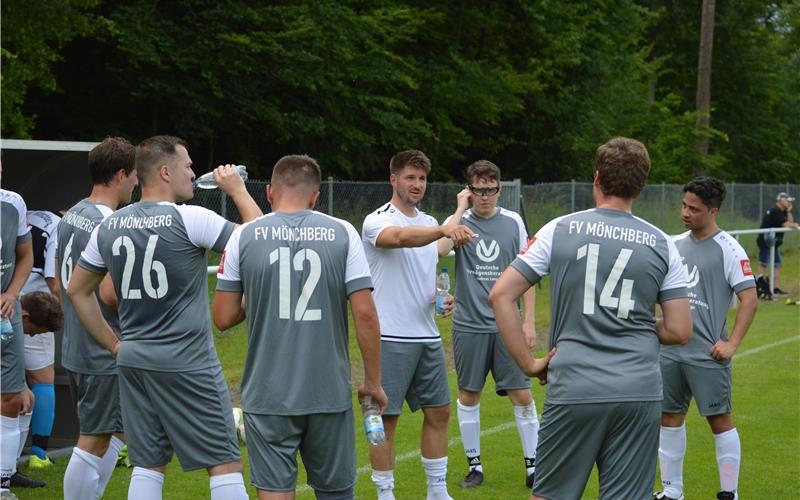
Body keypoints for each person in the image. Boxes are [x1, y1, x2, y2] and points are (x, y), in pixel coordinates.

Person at [490, 137, 693, 500]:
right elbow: (679, 330)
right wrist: (638, 324)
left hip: (575, 384)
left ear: (596, 178)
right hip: (638, 389)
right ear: (641, 186)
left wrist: (530, 364)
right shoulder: (663, 243)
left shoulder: (559, 229)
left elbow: (501, 295)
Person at [66, 135, 262, 500]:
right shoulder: (190, 218)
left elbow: (79, 290)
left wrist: (113, 344)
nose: (193, 173)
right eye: (188, 166)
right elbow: (263, 240)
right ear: (167, 171)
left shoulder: (109, 225)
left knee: (148, 463)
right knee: (223, 461)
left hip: (134, 359)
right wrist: (236, 190)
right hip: (187, 360)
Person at [213, 154, 387, 499]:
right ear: (316, 196)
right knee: (336, 493)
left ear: (268, 193)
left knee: (275, 492)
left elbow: (223, 317)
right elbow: (365, 313)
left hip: (267, 395)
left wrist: (263, 294)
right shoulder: (343, 232)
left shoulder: (244, 236)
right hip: (328, 392)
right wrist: (373, 383)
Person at [362, 149, 474, 500]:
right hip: (389, 336)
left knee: (440, 412)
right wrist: (444, 226)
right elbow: (400, 239)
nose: (417, 184)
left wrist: (457, 213)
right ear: (393, 179)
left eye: (422, 178)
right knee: (385, 420)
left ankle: (437, 492)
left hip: (427, 335)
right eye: (410, 177)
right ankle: (385, 493)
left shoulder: (428, 222)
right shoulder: (376, 220)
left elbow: (438, 248)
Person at [654, 177, 758, 500]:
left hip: (707, 354)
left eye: (694, 209)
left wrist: (732, 344)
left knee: (719, 420)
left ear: (712, 211)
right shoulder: (674, 243)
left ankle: (730, 492)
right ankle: (672, 491)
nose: (686, 213)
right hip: (671, 352)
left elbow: (750, 298)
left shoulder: (729, 248)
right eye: (684, 205)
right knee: (669, 418)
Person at [437, 160, 539, 489]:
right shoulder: (459, 222)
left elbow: (530, 272)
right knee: (468, 395)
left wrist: (529, 322)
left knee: (522, 394)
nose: (484, 196)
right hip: (469, 324)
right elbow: (440, 249)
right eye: (478, 190)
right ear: (469, 189)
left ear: (499, 188)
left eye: (490, 189)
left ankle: (533, 467)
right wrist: (458, 209)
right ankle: (475, 466)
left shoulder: (513, 222)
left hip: (507, 326)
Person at [56, 137, 137, 500]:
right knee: (93, 439)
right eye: (134, 175)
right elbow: (109, 294)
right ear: (120, 174)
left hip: (78, 341)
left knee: (116, 432)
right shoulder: (111, 223)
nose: (137, 183)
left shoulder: (72, 212)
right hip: (102, 345)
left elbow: (63, 284)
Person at [0, 172, 34, 499]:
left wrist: (11, 293)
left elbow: (26, 257)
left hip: (7, 316)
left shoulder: (13, 202)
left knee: (11, 397)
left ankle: (3, 482)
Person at [21, 210, 61, 470]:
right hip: (34, 305)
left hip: (9, 298)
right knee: (43, 380)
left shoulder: (16, 211)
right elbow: (53, 281)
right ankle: (38, 455)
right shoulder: (56, 224)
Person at [755, 192, 798, 295]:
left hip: (774, 243)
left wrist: (788, 212)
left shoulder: (782, 211)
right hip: (766, 241)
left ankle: (774, 288)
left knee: (777, 264)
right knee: (763, 264)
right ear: (781, 200)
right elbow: (787, 224)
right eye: (787, 201)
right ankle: (759, 288)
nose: (789, 203)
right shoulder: (775, 211)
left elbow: (789, 221)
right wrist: (794, 225)